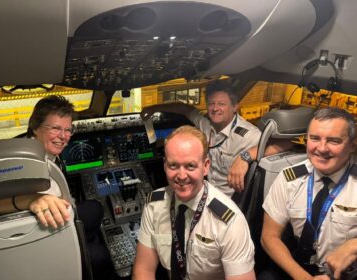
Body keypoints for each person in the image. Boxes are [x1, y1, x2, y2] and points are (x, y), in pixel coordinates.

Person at [133, 125, 256, 280]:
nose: (181, 176)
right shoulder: (153, 206)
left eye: (190, 166)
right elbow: (144, 270)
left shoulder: (230, 222)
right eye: (173, 165)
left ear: (205, 167)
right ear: (165, 166)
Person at [260, 107, 357, 280]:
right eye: (314, 138)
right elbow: (269, 237)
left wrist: (353, 245)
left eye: (333, 141)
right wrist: (303, 278)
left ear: (352, 145)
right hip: (296, 268)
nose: (322, 148)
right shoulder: (288, 178)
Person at [141, 79, 261, 197]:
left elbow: (275, 146)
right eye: (211, 104)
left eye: (221, 104)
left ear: (234, 107)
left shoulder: (247, 134)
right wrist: (153, 109)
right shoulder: (205, 122)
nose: (215, 108)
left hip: (230, 202)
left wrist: (245, 157)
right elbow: (184, 109)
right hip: (206, 193)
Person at [0, 95, 73, 229]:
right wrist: (32, 199)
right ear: (35, 127)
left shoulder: (50, 153)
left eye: (68, 130)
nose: (63, 136)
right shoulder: (17, 158)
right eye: (55, 128)